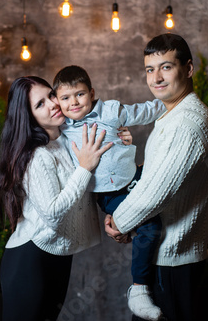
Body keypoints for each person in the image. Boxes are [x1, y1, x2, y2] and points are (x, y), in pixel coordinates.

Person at [104, 33, 208, 321]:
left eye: (166, 67)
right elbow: (155, 175)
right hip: (164, 257)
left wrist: (120, 222)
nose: (156, 77)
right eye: (149, 69)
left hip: (174, 262)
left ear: (188, 69)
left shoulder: (188, 122)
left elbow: (155, 193)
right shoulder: (172, 116)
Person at [0, 76, 130, 321]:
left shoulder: (68, 140)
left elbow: (92, 185)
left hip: (58, 256)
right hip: (30, 258)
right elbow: (54, 214)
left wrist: (121, 143)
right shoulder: (36, 156)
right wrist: (84, 168)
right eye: (39, 104)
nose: (53, 104)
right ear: (28, 116)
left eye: (51, 95)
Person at [53, 65, 166, 320]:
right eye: (65, 98)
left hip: (135, 175)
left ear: (91, 93)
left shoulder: (112, 111)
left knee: (166, 178)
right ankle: (139, 290)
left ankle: (191, 247)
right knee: (150, 226)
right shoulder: (62, 131)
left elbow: (144, 111)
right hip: (110, 194)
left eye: (79, 94)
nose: (74, 103)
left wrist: (171, 101)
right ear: (58, 102)